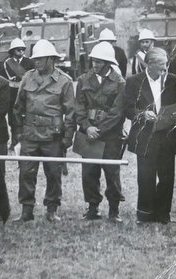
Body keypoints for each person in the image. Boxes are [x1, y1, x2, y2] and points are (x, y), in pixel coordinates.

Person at [13, 39, 75, 222]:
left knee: (53, 173)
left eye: (40, 59)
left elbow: (71, 112)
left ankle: (52, 209)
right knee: (26, 172)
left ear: (51, 59)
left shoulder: (64, 81)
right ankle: (26, 210)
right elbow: (18, 106)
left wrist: (68, 137)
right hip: (30, 134)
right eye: (35, 59)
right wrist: (17, 131)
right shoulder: (27, 78)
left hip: (53, 136)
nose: (36, 62)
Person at [123, 47, 176, 224]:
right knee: (145, 176)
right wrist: (142, 115)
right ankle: (145, 214)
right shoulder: (134, 82)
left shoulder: (171, 80)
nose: (165, 70)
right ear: (149, 65)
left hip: (166, 135)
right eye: (161, 66)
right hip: (146, 136)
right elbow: (127, 109)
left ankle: (163, 214)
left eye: (166, 65)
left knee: (167, 177)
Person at [75, 42, 126, 222]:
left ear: (108, 63)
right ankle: (93, 207)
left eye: (99, 62)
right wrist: (86, 127)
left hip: (110, 135)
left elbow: (117, 112)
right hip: (88, 133)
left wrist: (100, 130)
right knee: (89, 172)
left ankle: (114, 210)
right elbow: (79, 107)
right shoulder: (83, 80)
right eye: (93, 61)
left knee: (112, 172)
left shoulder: (120, 83)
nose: (95, 65)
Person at [0, 38, 34, 151]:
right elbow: (4, 78)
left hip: (26, 91)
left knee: (26, 116)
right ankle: (14, 142)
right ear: (13, 51)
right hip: (12, 93)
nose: (21, 52)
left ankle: (26, 141)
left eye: (23, 49)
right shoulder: (6, 63)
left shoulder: (29, 62)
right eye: (18, 50)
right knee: (13, 118)